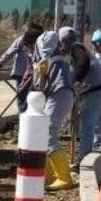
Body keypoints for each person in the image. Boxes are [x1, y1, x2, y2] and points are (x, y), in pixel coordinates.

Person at [61, 27, 101, 163]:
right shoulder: (73, 52)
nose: (61, 47)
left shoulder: (76, 48)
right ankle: (85, 157)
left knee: (87, 126)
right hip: (97, 90)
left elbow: (83, 62)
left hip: (95, 89)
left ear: (65, 41)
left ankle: (83, 161)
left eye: (61, 43)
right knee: (89, 124)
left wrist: (77, 80)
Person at [32, 31, 75, 191]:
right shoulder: (56, 59)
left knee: (48, 134)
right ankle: (48, 176)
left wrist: (41, 74)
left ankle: (64, 177)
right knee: (46, 135)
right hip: (60, 95)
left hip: (60, 95)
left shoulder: (51, 60)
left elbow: (40, 88)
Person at [0, 22, 44, 113]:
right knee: (21, 99)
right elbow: (10, 52)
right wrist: (0, 64)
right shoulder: (22, 40)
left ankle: (29, 120)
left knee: (32, 99)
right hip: (21, 73)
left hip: (35, 75)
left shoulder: (41, 42)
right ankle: (23, 120)